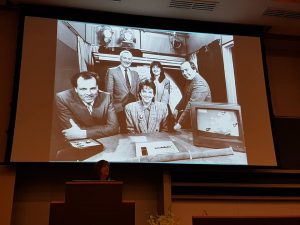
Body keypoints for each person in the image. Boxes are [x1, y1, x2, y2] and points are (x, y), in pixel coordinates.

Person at [56, 71, 119, 140]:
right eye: (83, 89)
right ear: (76, 89)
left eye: (93, 88)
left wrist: (84, 133)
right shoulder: (62, 98)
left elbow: (114, 128)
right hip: (79, 142)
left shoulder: (107, 97)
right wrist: (105, 128)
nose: (88, 93)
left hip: (103, 140)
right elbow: (72, 130)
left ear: (97, 87)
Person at [105, 50, 140, 133]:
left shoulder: (135, 73)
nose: (127, 60)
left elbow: (138, 92)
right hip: (118, 108)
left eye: (129, 59)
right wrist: (112, 109)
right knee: (122, 131)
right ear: (120, 59)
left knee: (133, 130)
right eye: (125, 58)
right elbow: (109, 92)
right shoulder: (112, 71)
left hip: (133, 107)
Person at [174, 61, 212, 130]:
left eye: (186, 70)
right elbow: (185, 97)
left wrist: (179, 124)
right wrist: (177, 108)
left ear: (194, 69)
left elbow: (191, 105)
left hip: (202, 123)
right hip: (194, 120)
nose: (184, 73)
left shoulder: (199, 84)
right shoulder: (190, 80)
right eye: (182, 71)